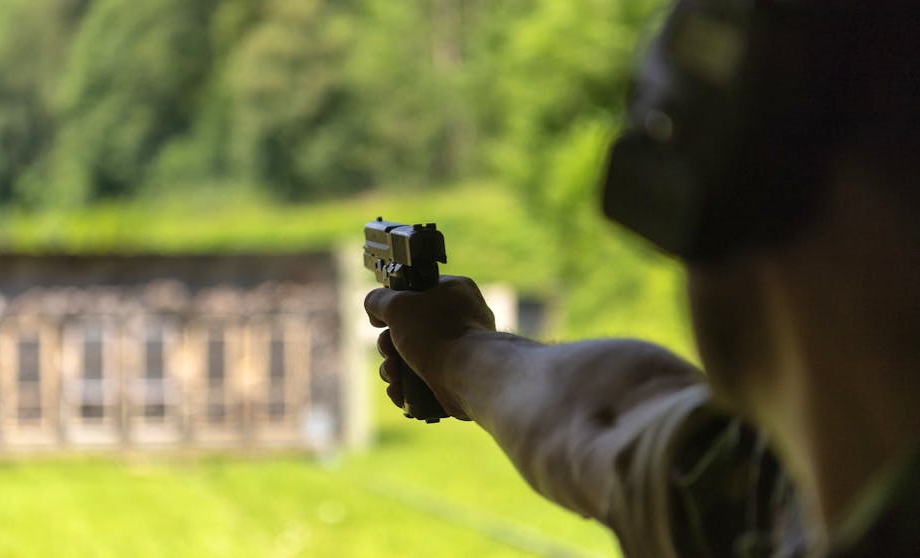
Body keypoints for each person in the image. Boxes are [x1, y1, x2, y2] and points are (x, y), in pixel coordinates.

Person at [364, 1, 920, 556]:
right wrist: (456, 353)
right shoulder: (780, 499)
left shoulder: (768, 504)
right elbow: (600, 426)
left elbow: (604, 429)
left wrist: (455, 355)